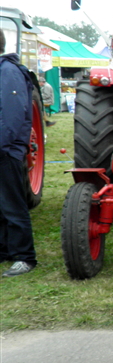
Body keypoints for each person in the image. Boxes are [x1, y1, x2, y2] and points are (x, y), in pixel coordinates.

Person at [0, 29, 37, 277]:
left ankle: (25, 257)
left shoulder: (8, 72)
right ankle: (5, 250)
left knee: (12, 204)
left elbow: (12, 116)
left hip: (6, 149)